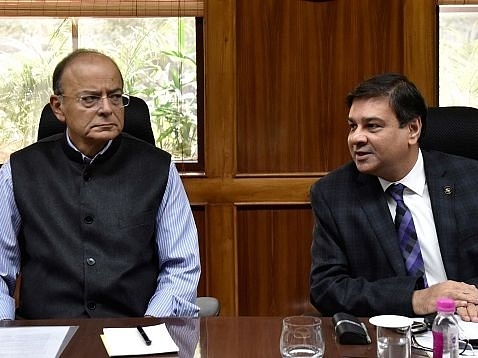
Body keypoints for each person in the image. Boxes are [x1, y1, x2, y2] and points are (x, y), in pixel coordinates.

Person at [0, 49, 201, 319]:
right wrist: (6, 332)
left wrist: (148, 330)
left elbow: (181, 267)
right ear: (58, 107)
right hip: (45, 333)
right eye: (90, 99)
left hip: (135, 331)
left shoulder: (158, 168)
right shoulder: (19, 171)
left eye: (115, 97)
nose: (107, 108)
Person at [310, 73, 478, 322]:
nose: (356, 138)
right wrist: (416, 298)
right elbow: (327, 289)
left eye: (372, 126)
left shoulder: (470, 179)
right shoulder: (334, 193)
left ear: (412, 129)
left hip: (468, 325)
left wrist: (470, 298)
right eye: (352, 126)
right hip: (391, 334)